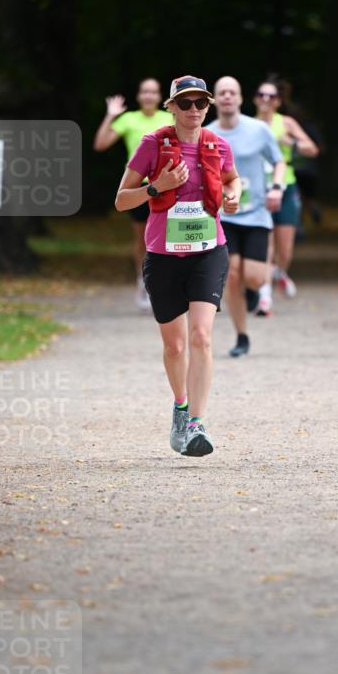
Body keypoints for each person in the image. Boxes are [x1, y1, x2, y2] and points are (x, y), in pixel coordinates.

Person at [115, 76, 241, 457]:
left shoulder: (218, 145)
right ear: (171, 107)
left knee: (202, 336)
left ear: (208, 107)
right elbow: (122, 200)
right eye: (184, 103)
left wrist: (233, 196)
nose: (193, 110)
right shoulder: (152, 144)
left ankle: (198, 424)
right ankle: (181, 407)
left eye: (200, 104)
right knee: (175, 346)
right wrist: (158, 185)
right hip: (164, 255)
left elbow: (233, 179)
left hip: (208, 250)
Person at [207, 77, 285, 355]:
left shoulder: (259, 130)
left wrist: (276, 187)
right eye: (222, 93)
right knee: (233, 275)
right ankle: (241, 337)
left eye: (233, 92)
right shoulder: (207, 134)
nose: (228, 96)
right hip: (223, 215)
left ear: (240, 99)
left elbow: (278, 162)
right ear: (214, 99)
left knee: (255, 278)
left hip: (256, 215)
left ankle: (255, 292)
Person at [94, 77, 171, 309]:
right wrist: (111, 114)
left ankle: (166, 283)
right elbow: (100, 144)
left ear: (160, 97)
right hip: (139, 188)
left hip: (166, 185)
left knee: (168, 235)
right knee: (143, 239)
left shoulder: (169, 119)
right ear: (139, 96)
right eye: (144, 91)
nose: (148, 96)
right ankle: (143, 281)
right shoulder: (129, 119)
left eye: (153, 92)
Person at [253, 80, 319, 313]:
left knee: (285, 249)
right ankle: (265, 296)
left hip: (286, 185)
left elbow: (312, 149)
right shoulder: (248, 125)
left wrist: (291, 142)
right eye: (261, 95)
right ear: (255, 99)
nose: (266, 100)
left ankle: (281, 272)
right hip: (259, 187)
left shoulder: (287, 123)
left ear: (278, 101)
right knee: (265, 243)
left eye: (271, 96)